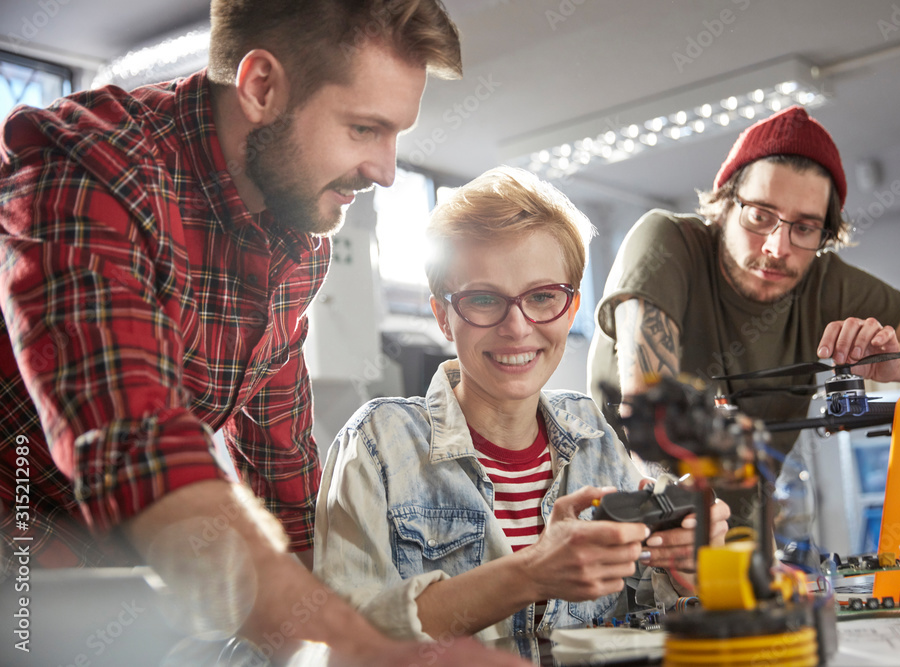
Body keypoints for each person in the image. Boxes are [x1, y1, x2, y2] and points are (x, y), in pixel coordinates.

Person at [0, 1, 526, 664]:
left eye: (395, 135)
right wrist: (364, 648)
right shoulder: (93, 165)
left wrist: (339, 630)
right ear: (260, 86)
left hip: (119, 566)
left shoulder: (297, 240)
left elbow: (281, 469)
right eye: (364, 128)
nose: (386, 170)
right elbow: (135, 441)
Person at [313, 166, 730, 641]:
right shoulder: (378, 443)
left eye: (543, 296)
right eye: (483, 299)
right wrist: (530, 574)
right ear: (444, 317)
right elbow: (346, 639)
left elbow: (645, 611)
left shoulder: (592, 434)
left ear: (571, 310)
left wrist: (687, 569)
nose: (516, 326)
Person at [589, 106, 900, 455]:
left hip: (753, 526)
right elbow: (649, 417)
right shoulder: (667, 243)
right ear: (726, 204)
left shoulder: (824, 281)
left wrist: (892, 362)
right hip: (632, 519)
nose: (777, 247)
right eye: (759, 215)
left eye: (804, 228)